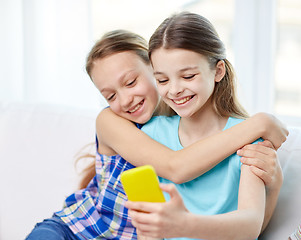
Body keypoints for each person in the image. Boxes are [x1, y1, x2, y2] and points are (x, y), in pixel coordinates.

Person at [25, 28, 287, 240]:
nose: (125, 99)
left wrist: (273, 184)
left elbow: (247, 226)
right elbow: (176, 166)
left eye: (130, 82)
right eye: (111, 95)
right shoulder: (114, 121)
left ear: (153, 68)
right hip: (75, 231)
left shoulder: (177, 125)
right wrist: (259, 123)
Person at [125, 12, 281, 240]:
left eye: (188, 76)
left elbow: (250, 224)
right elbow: (148, 230)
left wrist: (185, 224)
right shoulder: (151, 134)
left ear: (218, 71)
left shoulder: (248, 138)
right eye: (162, 80)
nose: (174, 89)